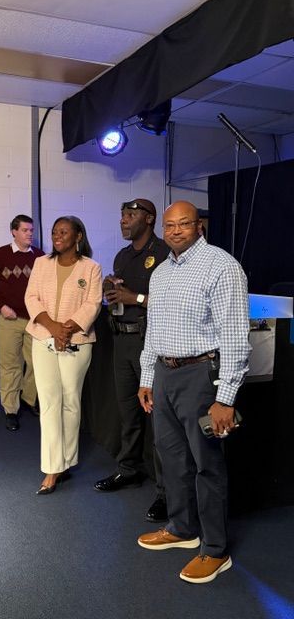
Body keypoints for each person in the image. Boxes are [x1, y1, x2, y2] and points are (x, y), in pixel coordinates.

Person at [137, 200, 250, 584]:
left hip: (202, 376)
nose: (175, 231)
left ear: (198, 225)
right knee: (171, 459)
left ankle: (215, 550)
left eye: (183, 224)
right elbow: (153, 330)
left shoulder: (221, 266)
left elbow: (235, 336)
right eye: (169, 225)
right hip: (164, 373)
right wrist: (147, 377)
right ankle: (182, 529)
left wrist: (225, 397)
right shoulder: (161, 272)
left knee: (206, 463)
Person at [94, 199, 170, 523]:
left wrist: (133, 297)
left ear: (149, 219)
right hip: (121, 341)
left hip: (148, 341)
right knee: (128, 412)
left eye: (131, 215)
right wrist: (109, 288)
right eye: (122, 215)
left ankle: (166, 492)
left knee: (160, 421)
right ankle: (129, 470)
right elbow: (118, 297)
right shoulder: (122, 256)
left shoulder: (164, 254)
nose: (124, 220)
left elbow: (169, 301)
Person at [25, 216, 102, 494]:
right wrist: (54, 328)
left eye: (64, 232)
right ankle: (51, 467)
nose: (57, 236)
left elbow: (93, 304)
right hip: (43, 337)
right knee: (49, 402)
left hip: (77, 341)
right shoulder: (41, 263)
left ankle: (67, 461)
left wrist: (67, 329)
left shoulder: (91, 268)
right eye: (54, 232)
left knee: (71, 401)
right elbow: (31, 297)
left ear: (78, 236)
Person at [0, 215, 44, 431]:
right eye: (25, 230)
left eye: (31, 230)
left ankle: (29, 399)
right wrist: (1, 306)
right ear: (14, 232)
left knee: (37, 363)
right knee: (10, 366)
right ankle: (11, 410)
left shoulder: (40, 257)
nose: (30, 234)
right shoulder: (0, 255)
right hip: (9, 320)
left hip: (34, 321)